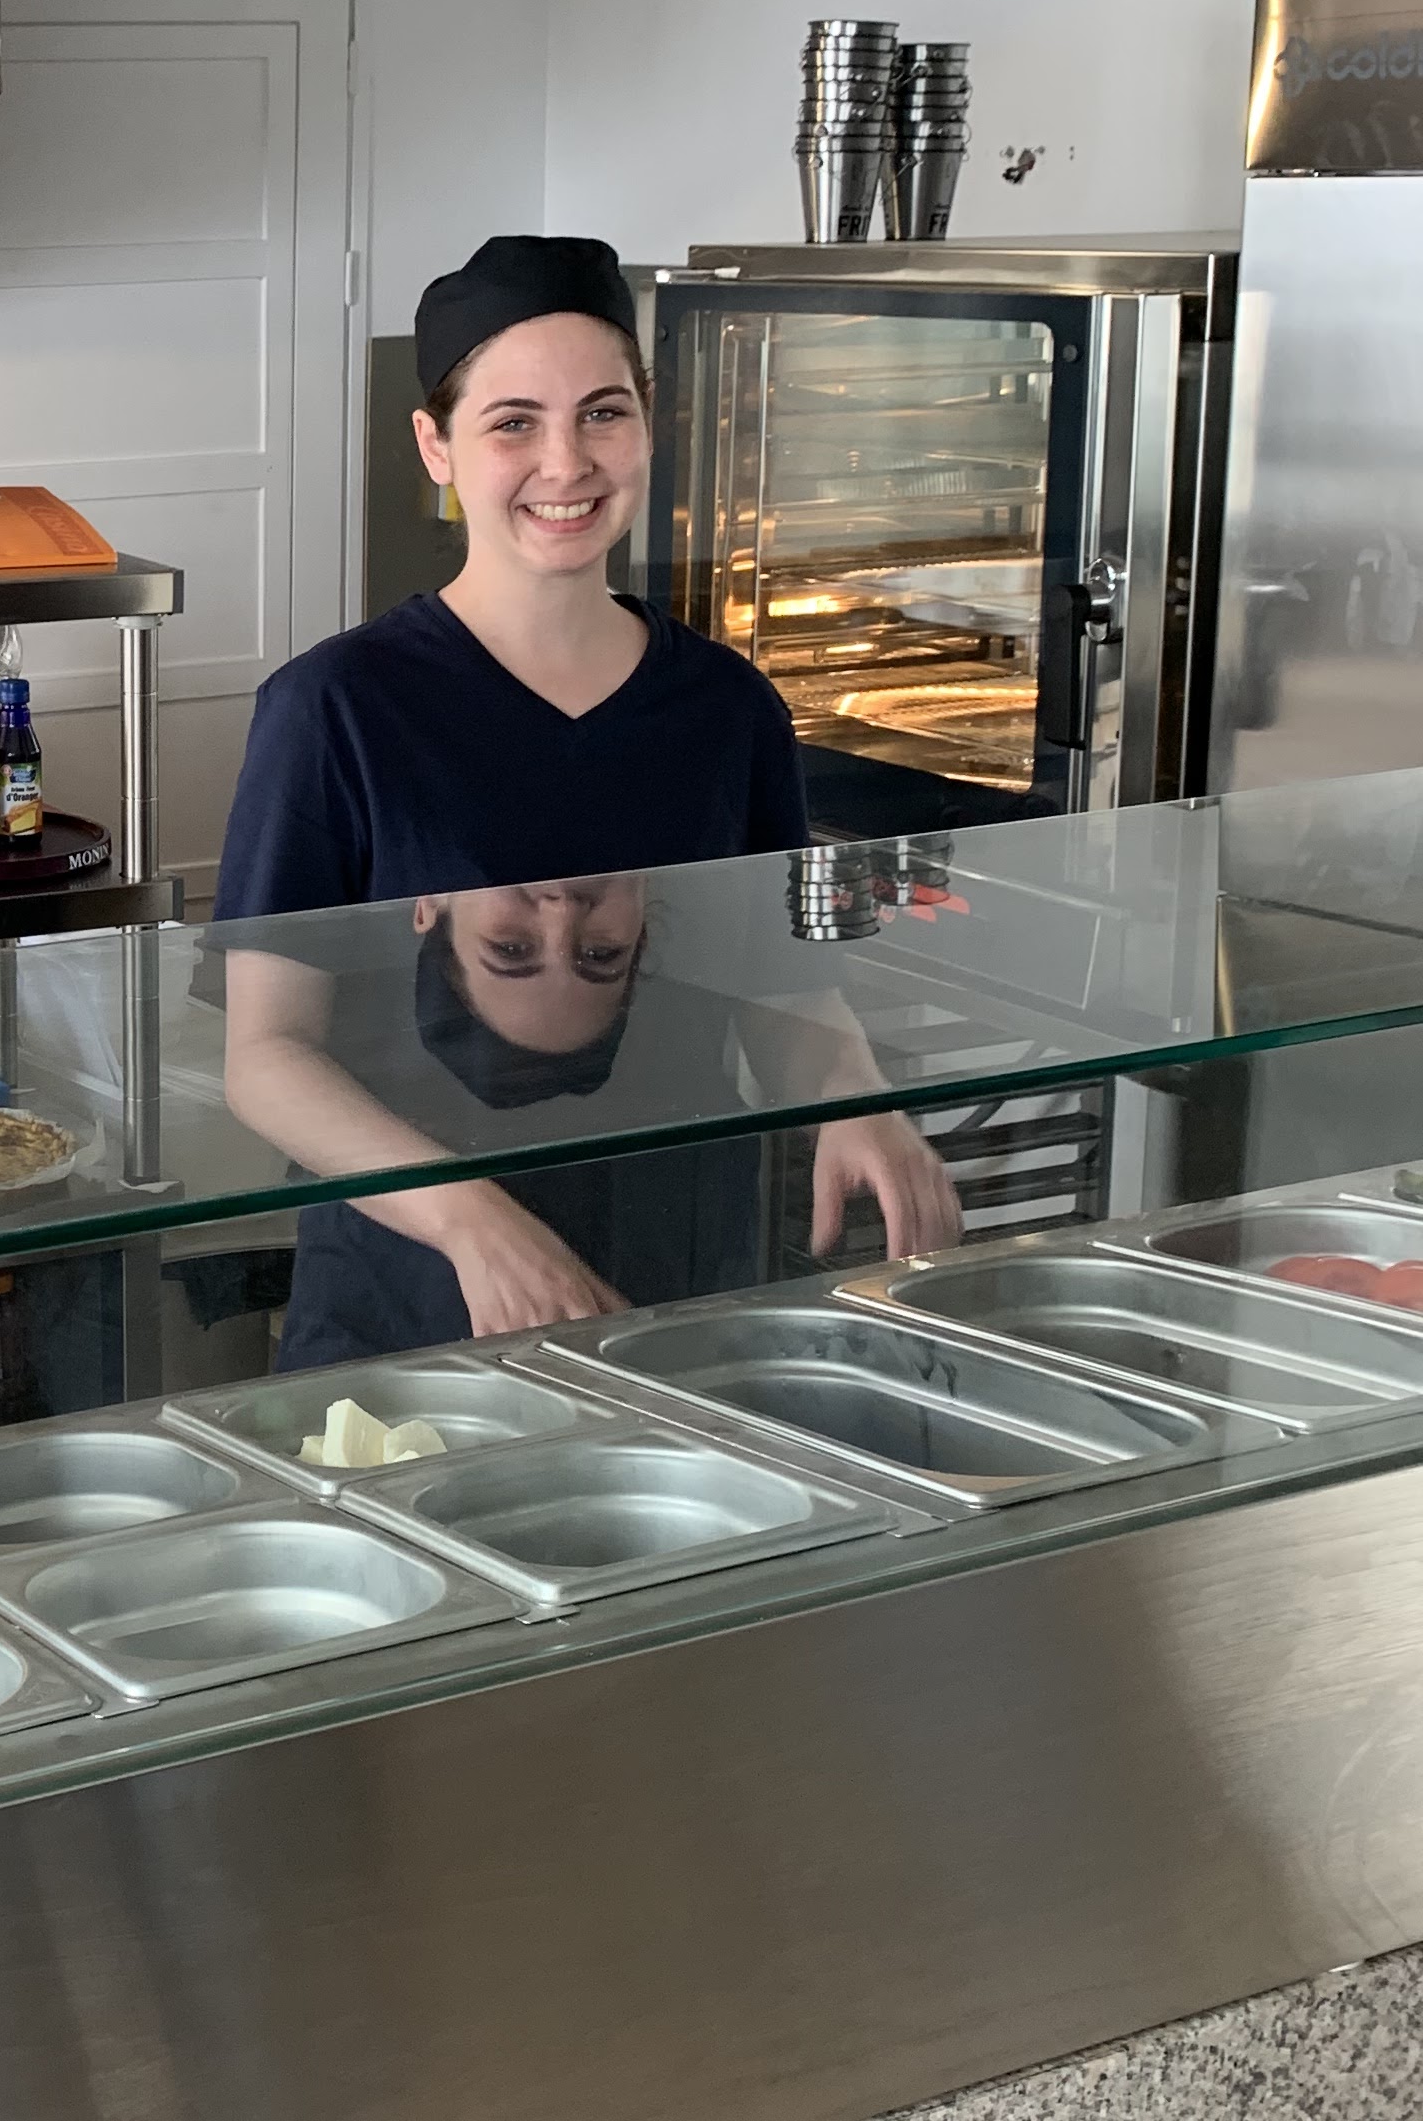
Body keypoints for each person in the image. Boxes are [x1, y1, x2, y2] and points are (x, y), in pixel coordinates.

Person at [216, 232, 961, 1361]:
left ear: (648, 426)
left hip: (685, 1297)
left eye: (602, 414)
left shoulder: (729, 710)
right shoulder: (336, 710)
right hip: (414, 1314)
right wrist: (472, 1222)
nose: (565, 465)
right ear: (436, 447)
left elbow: (785, 990)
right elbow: (266, 1056)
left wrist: (859, 1098)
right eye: (513, 423)